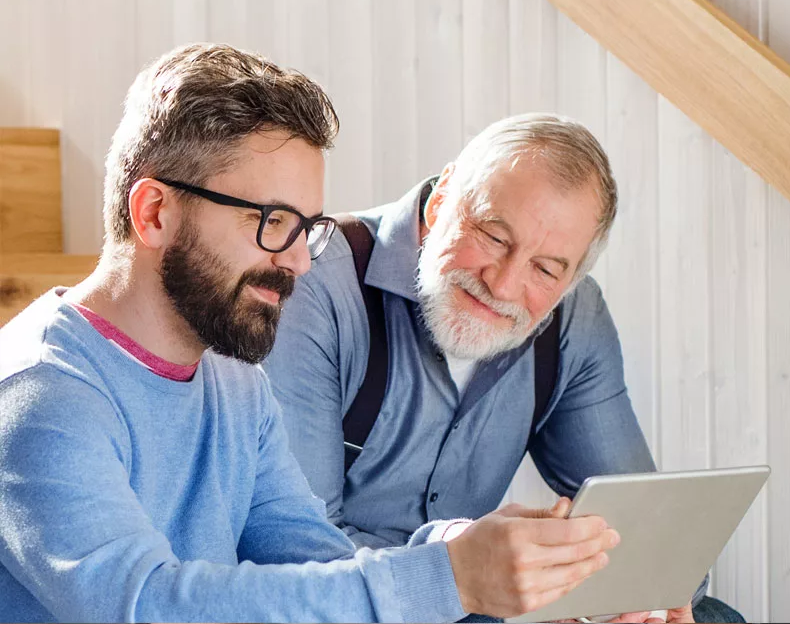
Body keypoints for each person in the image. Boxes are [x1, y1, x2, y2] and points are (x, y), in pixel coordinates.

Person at [0, 44, 620, 623]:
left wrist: (474, 550)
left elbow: (313, 562)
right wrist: (451, 578)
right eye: (270, 222)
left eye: (307, 227)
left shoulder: (234, 379)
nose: (298, 261)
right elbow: (148, 604)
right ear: (155, 212)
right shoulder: (45, 395)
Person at [264, 113, 744, 623]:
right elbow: (297, 556)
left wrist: (645, 598)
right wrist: (467, 572)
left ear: (571, 279)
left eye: (545, 269)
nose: (504, 284)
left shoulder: (573, 321)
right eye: (494, 236)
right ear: (442, 197)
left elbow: (647, 536)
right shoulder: (314, 283)